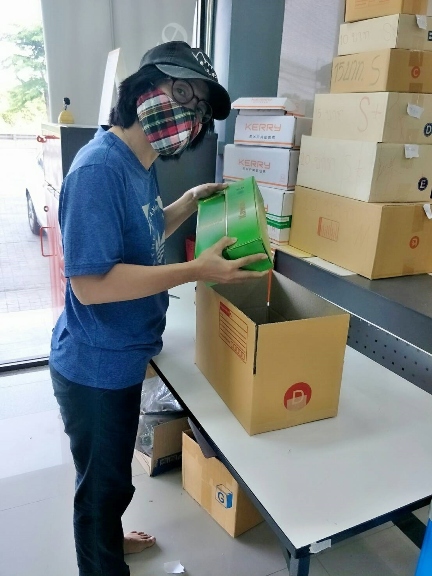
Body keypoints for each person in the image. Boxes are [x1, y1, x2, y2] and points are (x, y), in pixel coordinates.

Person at [49, 40, 269, 576]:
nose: (191, 116)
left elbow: (144, 232)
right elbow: (91, 285)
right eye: (183, 94)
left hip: (122, 355)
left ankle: (110, 538)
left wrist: (188, 202)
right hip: (96, 367)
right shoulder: (98, 170)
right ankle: (102, 560)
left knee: (112, 478)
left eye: (200, 109)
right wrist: (195, 270)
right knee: (99, 491)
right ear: (142, 90)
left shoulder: (138, 162)